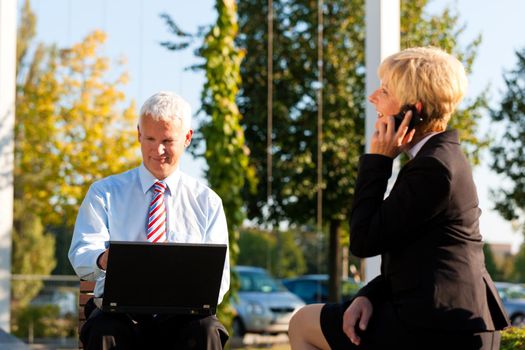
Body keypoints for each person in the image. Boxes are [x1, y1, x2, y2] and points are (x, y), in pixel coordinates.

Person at [288, 47, 509, 350]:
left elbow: (363, 240)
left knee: (302, 323)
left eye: (385, 90)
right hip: (441, 320)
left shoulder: (433, 168)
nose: (373, 97)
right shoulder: (438, 157)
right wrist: (368, 295)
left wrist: (378, 161)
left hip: (439, 329)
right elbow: (414, 257)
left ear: (412, 109)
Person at [68, 91, 230, 350]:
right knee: (105, 330)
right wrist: (103, 258)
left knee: (206, 330)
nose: (158, 150)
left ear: (187, 137)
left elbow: (219, 282)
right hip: (119, 315)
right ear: (138, 135)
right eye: (150, 139)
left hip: (184, 318)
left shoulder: (207, 202)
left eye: (168, 140)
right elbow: (81, 252)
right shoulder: (105, 193)